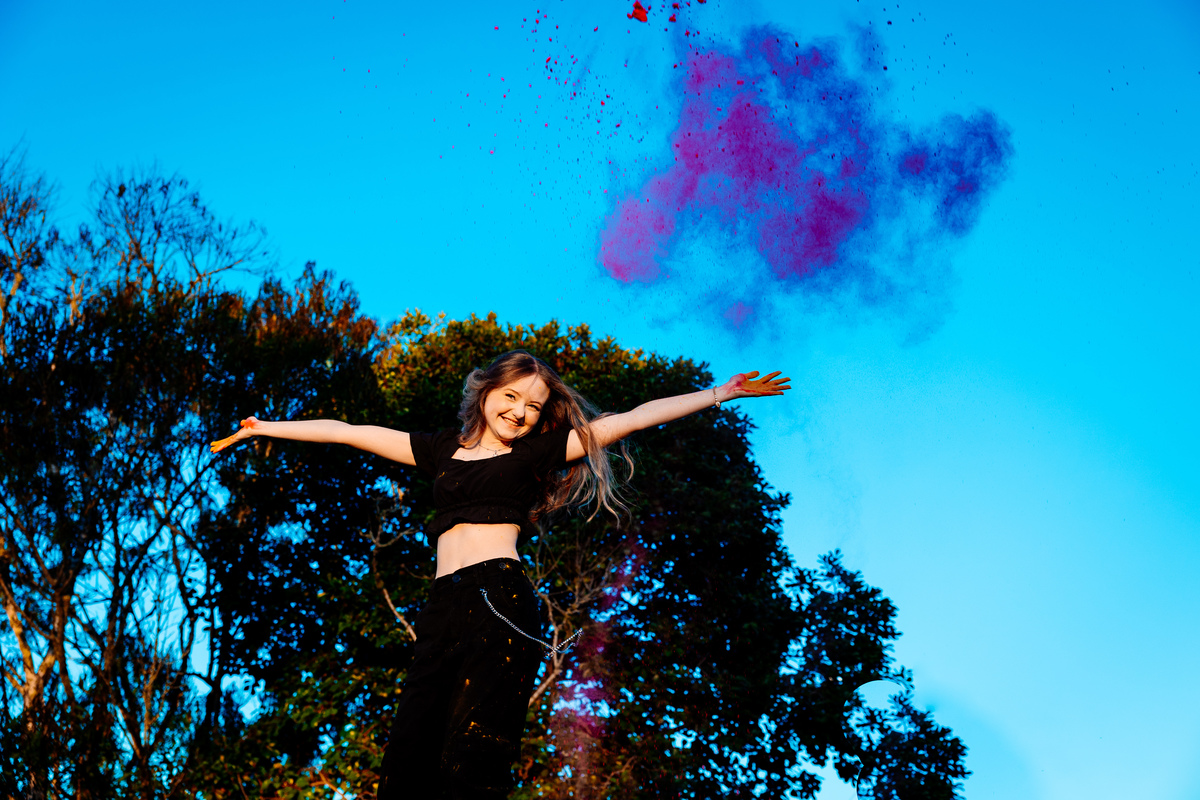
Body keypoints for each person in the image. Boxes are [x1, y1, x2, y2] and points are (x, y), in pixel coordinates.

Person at [209, 350, 788, 799]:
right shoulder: (440, 450)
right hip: (441, 608)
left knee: (474, 755)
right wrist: (265, 428)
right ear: (485, 391)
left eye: (533, 406)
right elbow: (349, 431)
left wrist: (721, 393)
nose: (519, 411)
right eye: (511, 396)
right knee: (407, 754)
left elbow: (630, 419)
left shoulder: (536, 454)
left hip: (499, 600)